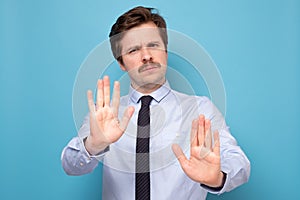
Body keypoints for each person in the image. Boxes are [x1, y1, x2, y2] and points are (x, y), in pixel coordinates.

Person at [61, 6, 250, 200]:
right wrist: (93, 145)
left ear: (165, 52)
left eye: (153, 45)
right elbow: (70, 165)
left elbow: (239, 163)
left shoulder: (200, 109)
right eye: (134, 50)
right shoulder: (106, 114)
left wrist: (217, 177)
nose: (147, 56)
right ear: (121, 63)